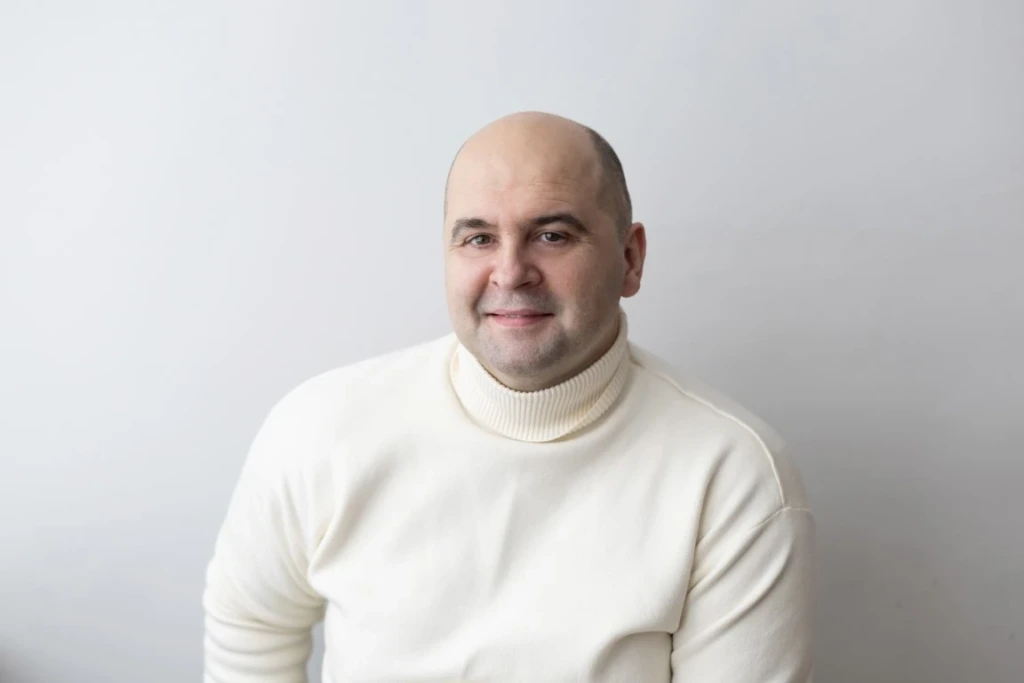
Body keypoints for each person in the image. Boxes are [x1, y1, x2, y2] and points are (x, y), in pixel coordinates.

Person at [203, 111, 816, 682]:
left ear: (630, 260)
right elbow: (251, 630)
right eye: (478, 239)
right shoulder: (320, 428)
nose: (510, 272)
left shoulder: (732, 473)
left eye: (551, 235)